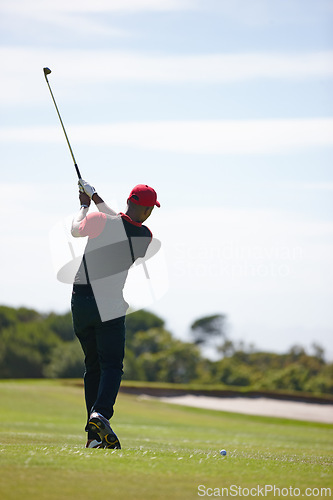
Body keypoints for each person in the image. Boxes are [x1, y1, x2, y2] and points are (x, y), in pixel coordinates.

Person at [71, 179, 160, 449]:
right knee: (112, 366)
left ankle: (93, 438)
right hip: (109, 304)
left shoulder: (99, 220)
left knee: (93, 367)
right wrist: (95, 196)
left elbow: (77, 230)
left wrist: (85, 205)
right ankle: (100, 414)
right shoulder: (145, 238)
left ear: (129, 202)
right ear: (147, 211)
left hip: (81, 301)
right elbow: (119, 223)